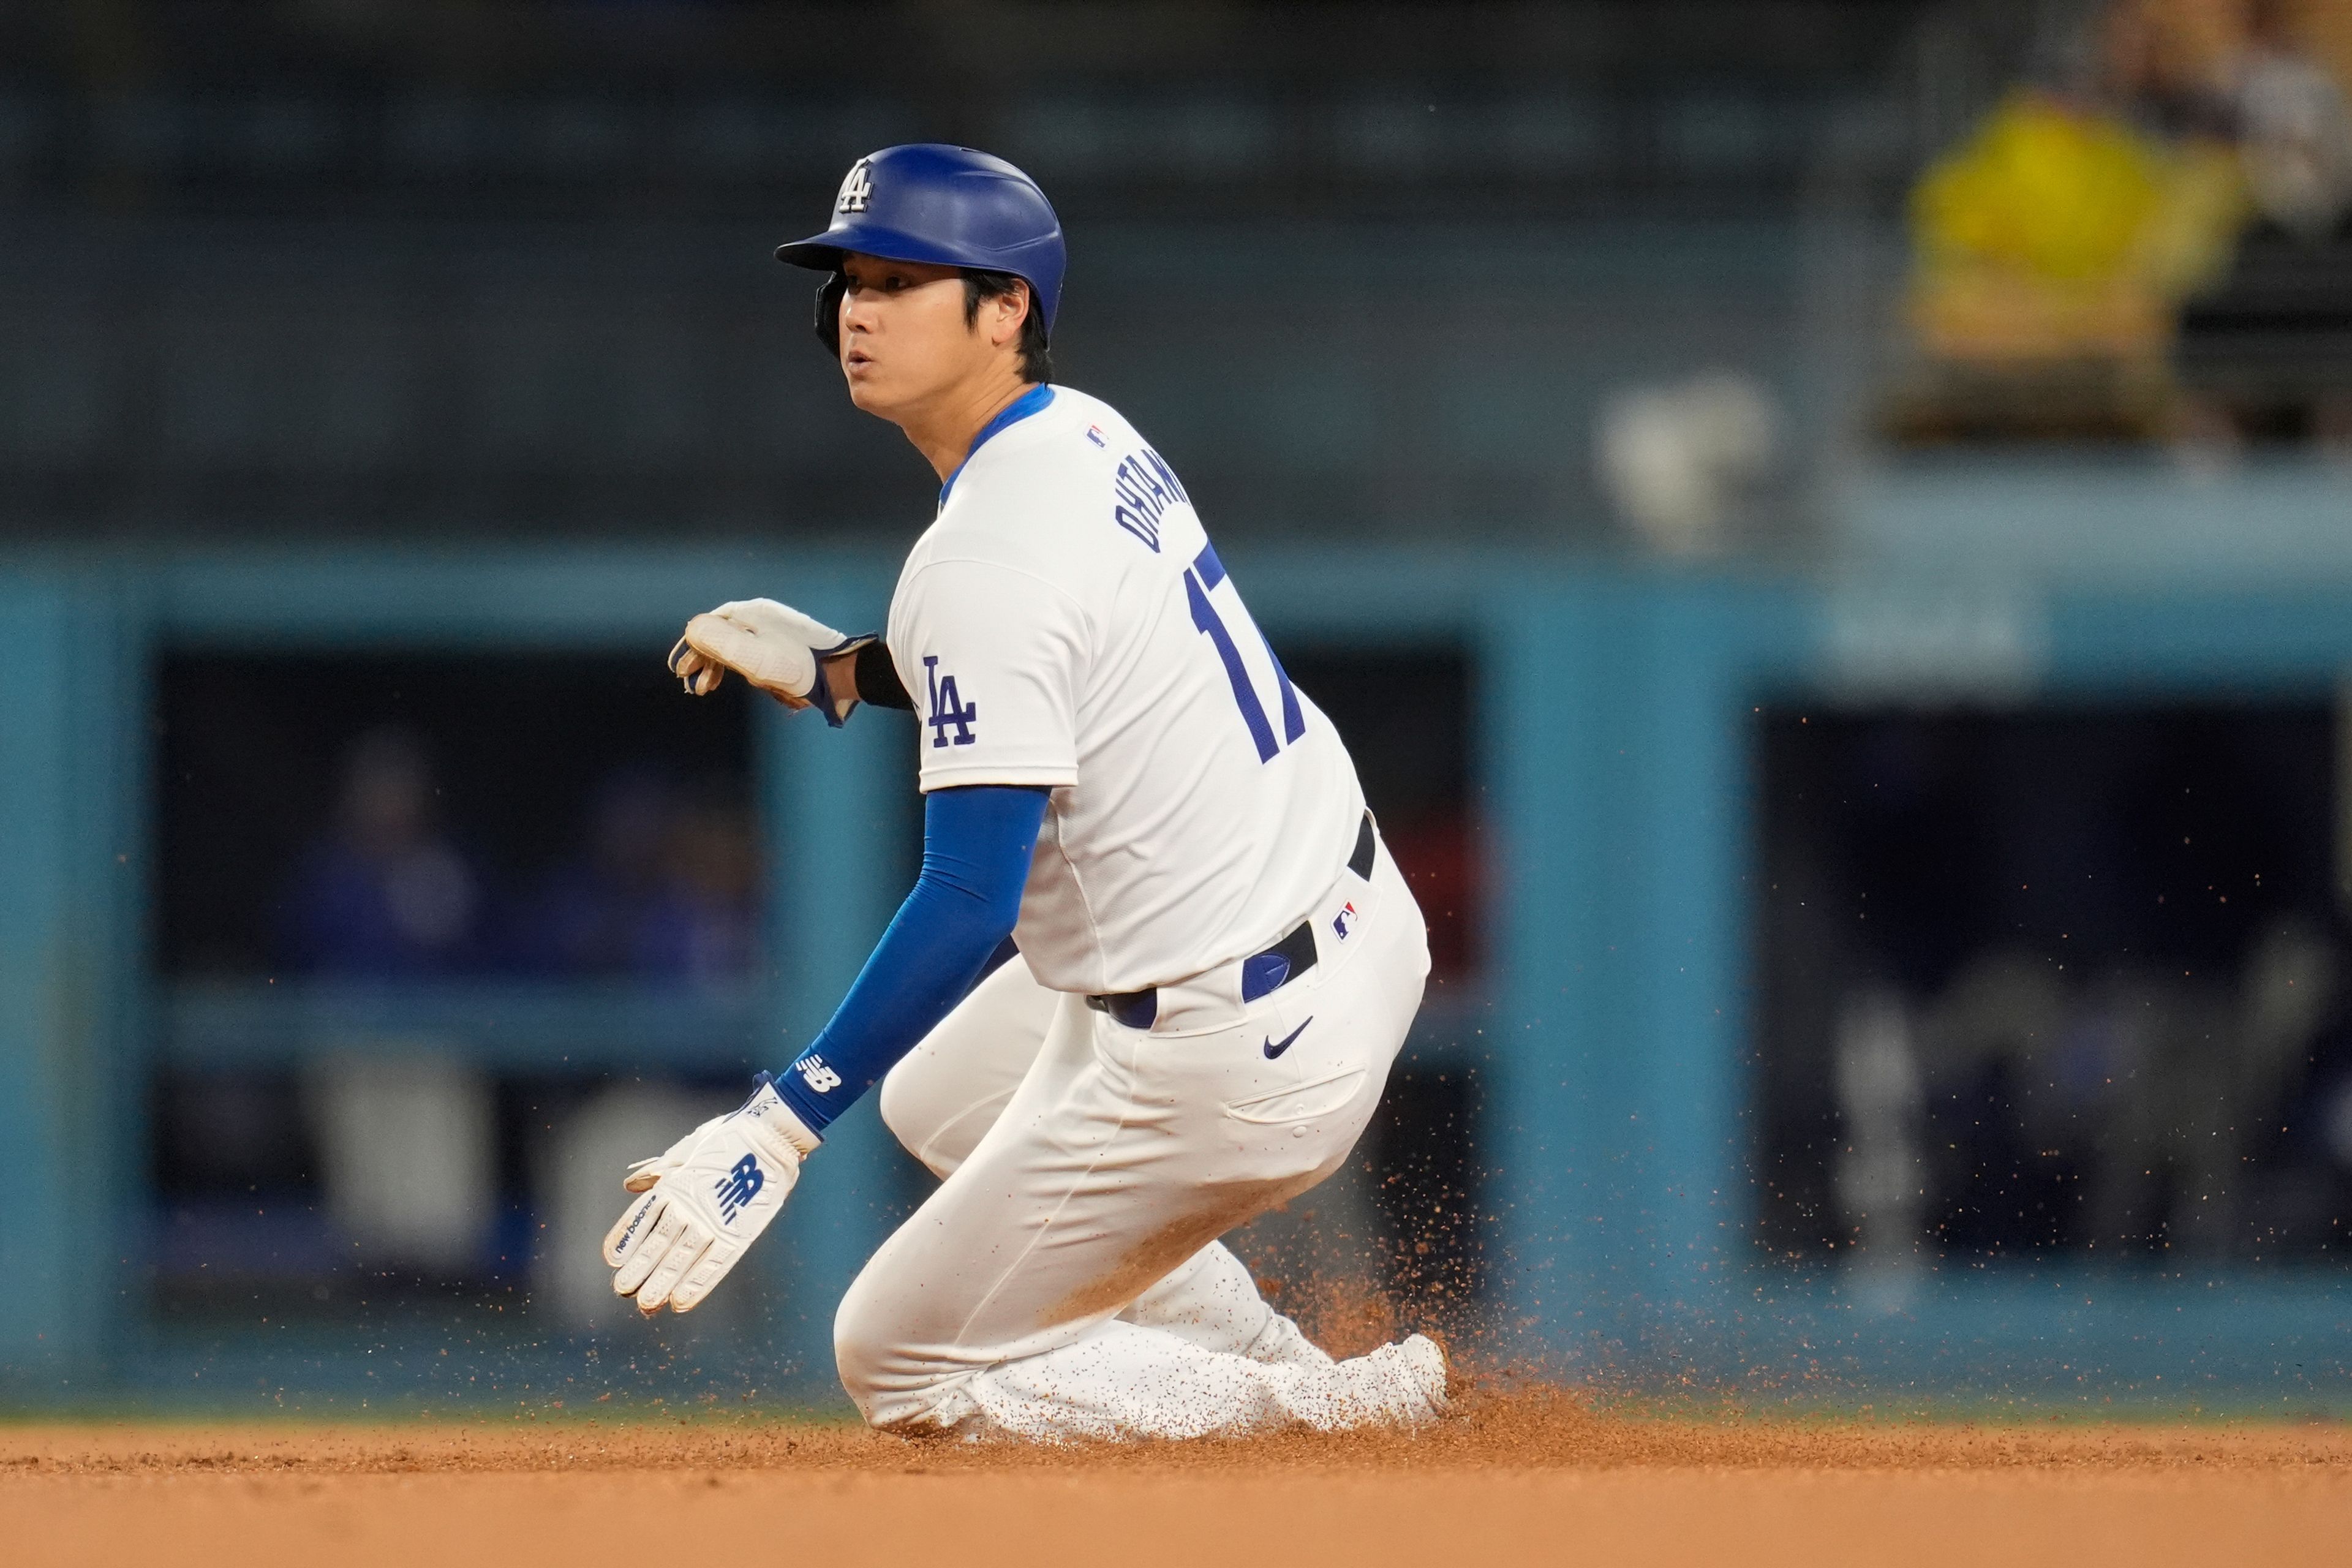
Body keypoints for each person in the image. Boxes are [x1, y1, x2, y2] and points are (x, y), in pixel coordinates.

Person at [602, 144, 1446, 1441]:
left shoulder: (982, 554)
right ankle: (1281, 1356)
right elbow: (1066, 656)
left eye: (902, 279)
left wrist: (779, 1123)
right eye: (846, 282)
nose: (858, 311)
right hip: (1343, 922)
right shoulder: (1086, 430)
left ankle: (1310, 1411)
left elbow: (967, 893)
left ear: (1008, 310)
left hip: (1231, 1045)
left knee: (895, 1360)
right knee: (938, 1094)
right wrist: (848, 670)